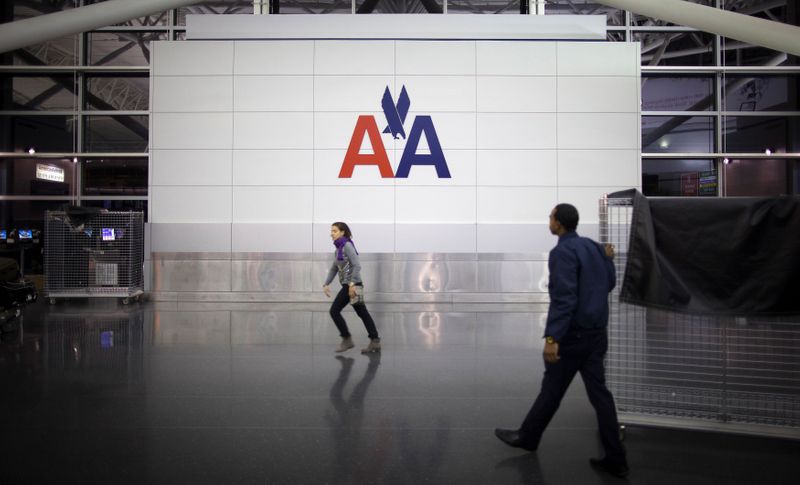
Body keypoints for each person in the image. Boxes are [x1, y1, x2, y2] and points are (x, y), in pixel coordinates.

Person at [494, 203, 629, 478]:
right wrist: (608, 261)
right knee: (599, 396)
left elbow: (564, 298)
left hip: (572, 337)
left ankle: (528, 436)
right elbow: (609, 283)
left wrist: (553, 337)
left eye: (550, 217)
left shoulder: (562, 252)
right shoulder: (593, 247)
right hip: (596, 335)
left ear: (558, 223)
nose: (549, 220)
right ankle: (616, 458)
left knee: (552, 388)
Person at [323, 222, 381, 354]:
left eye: (334, 231)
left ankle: (347, 339)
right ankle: (375, 341)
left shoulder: (347, 246)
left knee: (334, 311)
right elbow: (334, 268)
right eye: (331, 231)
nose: (331, 233)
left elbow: (357, 265)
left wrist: (351, 285)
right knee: (362, 312)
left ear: (342, 232)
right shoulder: (338, 249)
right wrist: (326, 284)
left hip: (353, 286)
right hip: (349, 285)